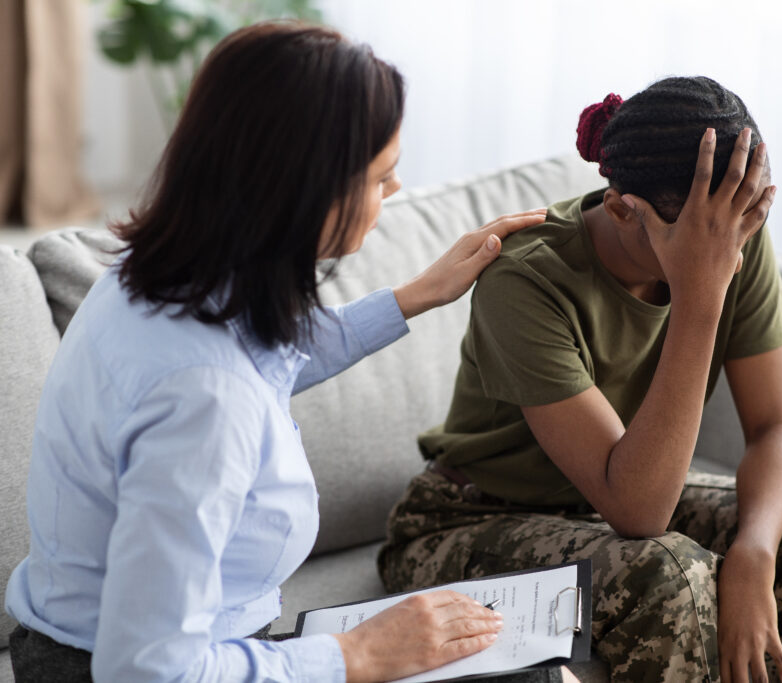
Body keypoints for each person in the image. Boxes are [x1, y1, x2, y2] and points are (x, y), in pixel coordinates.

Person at [3, 21, 579, 683]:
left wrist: (416, 295)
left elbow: (261, 353)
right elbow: (145, 670)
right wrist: (358, 653)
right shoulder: (204, 395)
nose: (394, 191)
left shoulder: (162, 277)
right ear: (306, 191)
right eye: (381, 175)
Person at [378, 77, 782, 682]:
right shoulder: (526, 278)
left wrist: (753, 553)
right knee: (664, 570)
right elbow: (638, 512)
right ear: (621, 208)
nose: (732, 244)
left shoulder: (730, 232)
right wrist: (700, 296)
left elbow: (775, 428)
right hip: (467, 518)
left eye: (748, 218)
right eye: (704, 233)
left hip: (600, 510)